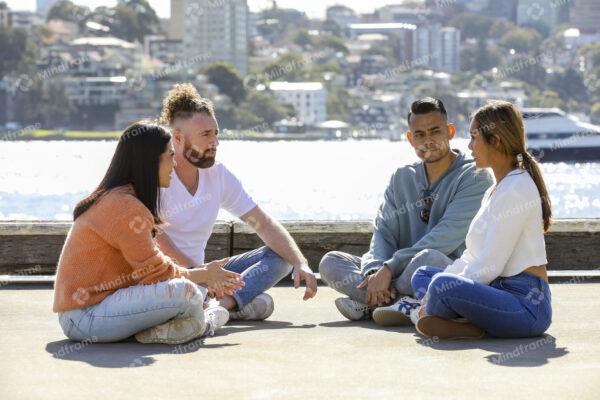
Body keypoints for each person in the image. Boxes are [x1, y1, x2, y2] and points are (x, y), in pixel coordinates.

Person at [53, 122, 244, 345]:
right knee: (188, 292)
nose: (174, 164)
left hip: (93, 311)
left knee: (190, 292)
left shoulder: (122, 198)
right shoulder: (124, 206)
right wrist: (204, 274)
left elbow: (153, 270)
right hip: (85, 317)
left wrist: (202, 275)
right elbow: (155, 274)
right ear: (150, 161)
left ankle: (178, 327)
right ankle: (206, 323)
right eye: (170, 156)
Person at [319, 98, 493, 325]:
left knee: (426, 258)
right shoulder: (401, 177)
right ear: (410, 139)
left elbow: (446, 237)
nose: (428, 141)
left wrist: (390, 269)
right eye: (419, 134)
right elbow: (383, 232)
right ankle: (401, 304)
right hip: (398, 274)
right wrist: (374, 271)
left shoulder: (474, 176)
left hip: (444, 270)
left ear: (450, 131)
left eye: (435, 131)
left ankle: (370, 303)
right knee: (330, 262)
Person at [155, 84, 318, 322]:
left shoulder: (218, 175)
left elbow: (262, 223)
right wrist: (200, 273)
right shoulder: (157, 175)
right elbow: (154, 237)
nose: (215, 142)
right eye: (205, 135)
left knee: (282, 256)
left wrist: (301, 263)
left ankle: (221, 304)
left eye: (216, 133)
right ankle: (234, 304)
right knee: (260, 301)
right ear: (178, 138)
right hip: (170, 275)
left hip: (204, 275)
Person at [411, 100, 553, 339]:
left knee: (440, 284)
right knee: (423, 275)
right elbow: (471, 256)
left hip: (526, 306)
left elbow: (491, 264)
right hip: (494, 289)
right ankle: (459, 321)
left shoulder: (516, 188)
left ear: (495, 141)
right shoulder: (494, 190)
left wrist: (444, 288)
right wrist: (441, 287)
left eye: (474, 137)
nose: (469, 146)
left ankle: (424, 312)